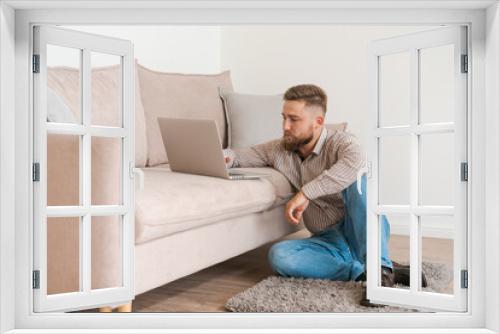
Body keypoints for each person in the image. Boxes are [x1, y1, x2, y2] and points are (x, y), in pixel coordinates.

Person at [223, 84, 424, 306]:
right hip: (327, 239)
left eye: (293, 119)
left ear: (318, 122)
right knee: (279, 256)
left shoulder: (342, 142)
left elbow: (356, 163)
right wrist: (227, 157)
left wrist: (305, 193)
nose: (285, 126)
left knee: (359, 179)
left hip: (358, 228)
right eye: (283, 118)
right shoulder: (280, 149)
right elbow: (246, 155)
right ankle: (373, 269)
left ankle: (380, 277)